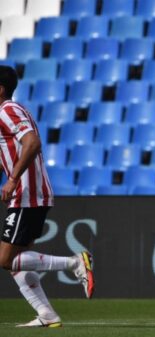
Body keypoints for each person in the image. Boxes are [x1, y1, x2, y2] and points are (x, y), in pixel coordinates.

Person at [0, 65, 94, 328]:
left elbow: (32, 143)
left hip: (27, 193)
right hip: (26, 193)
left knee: (5, 259)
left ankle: (76, 262)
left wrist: (12, 179)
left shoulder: (8, 111)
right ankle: (47, 314)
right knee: (18, 264)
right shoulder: (5, 114)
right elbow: (10, 154)